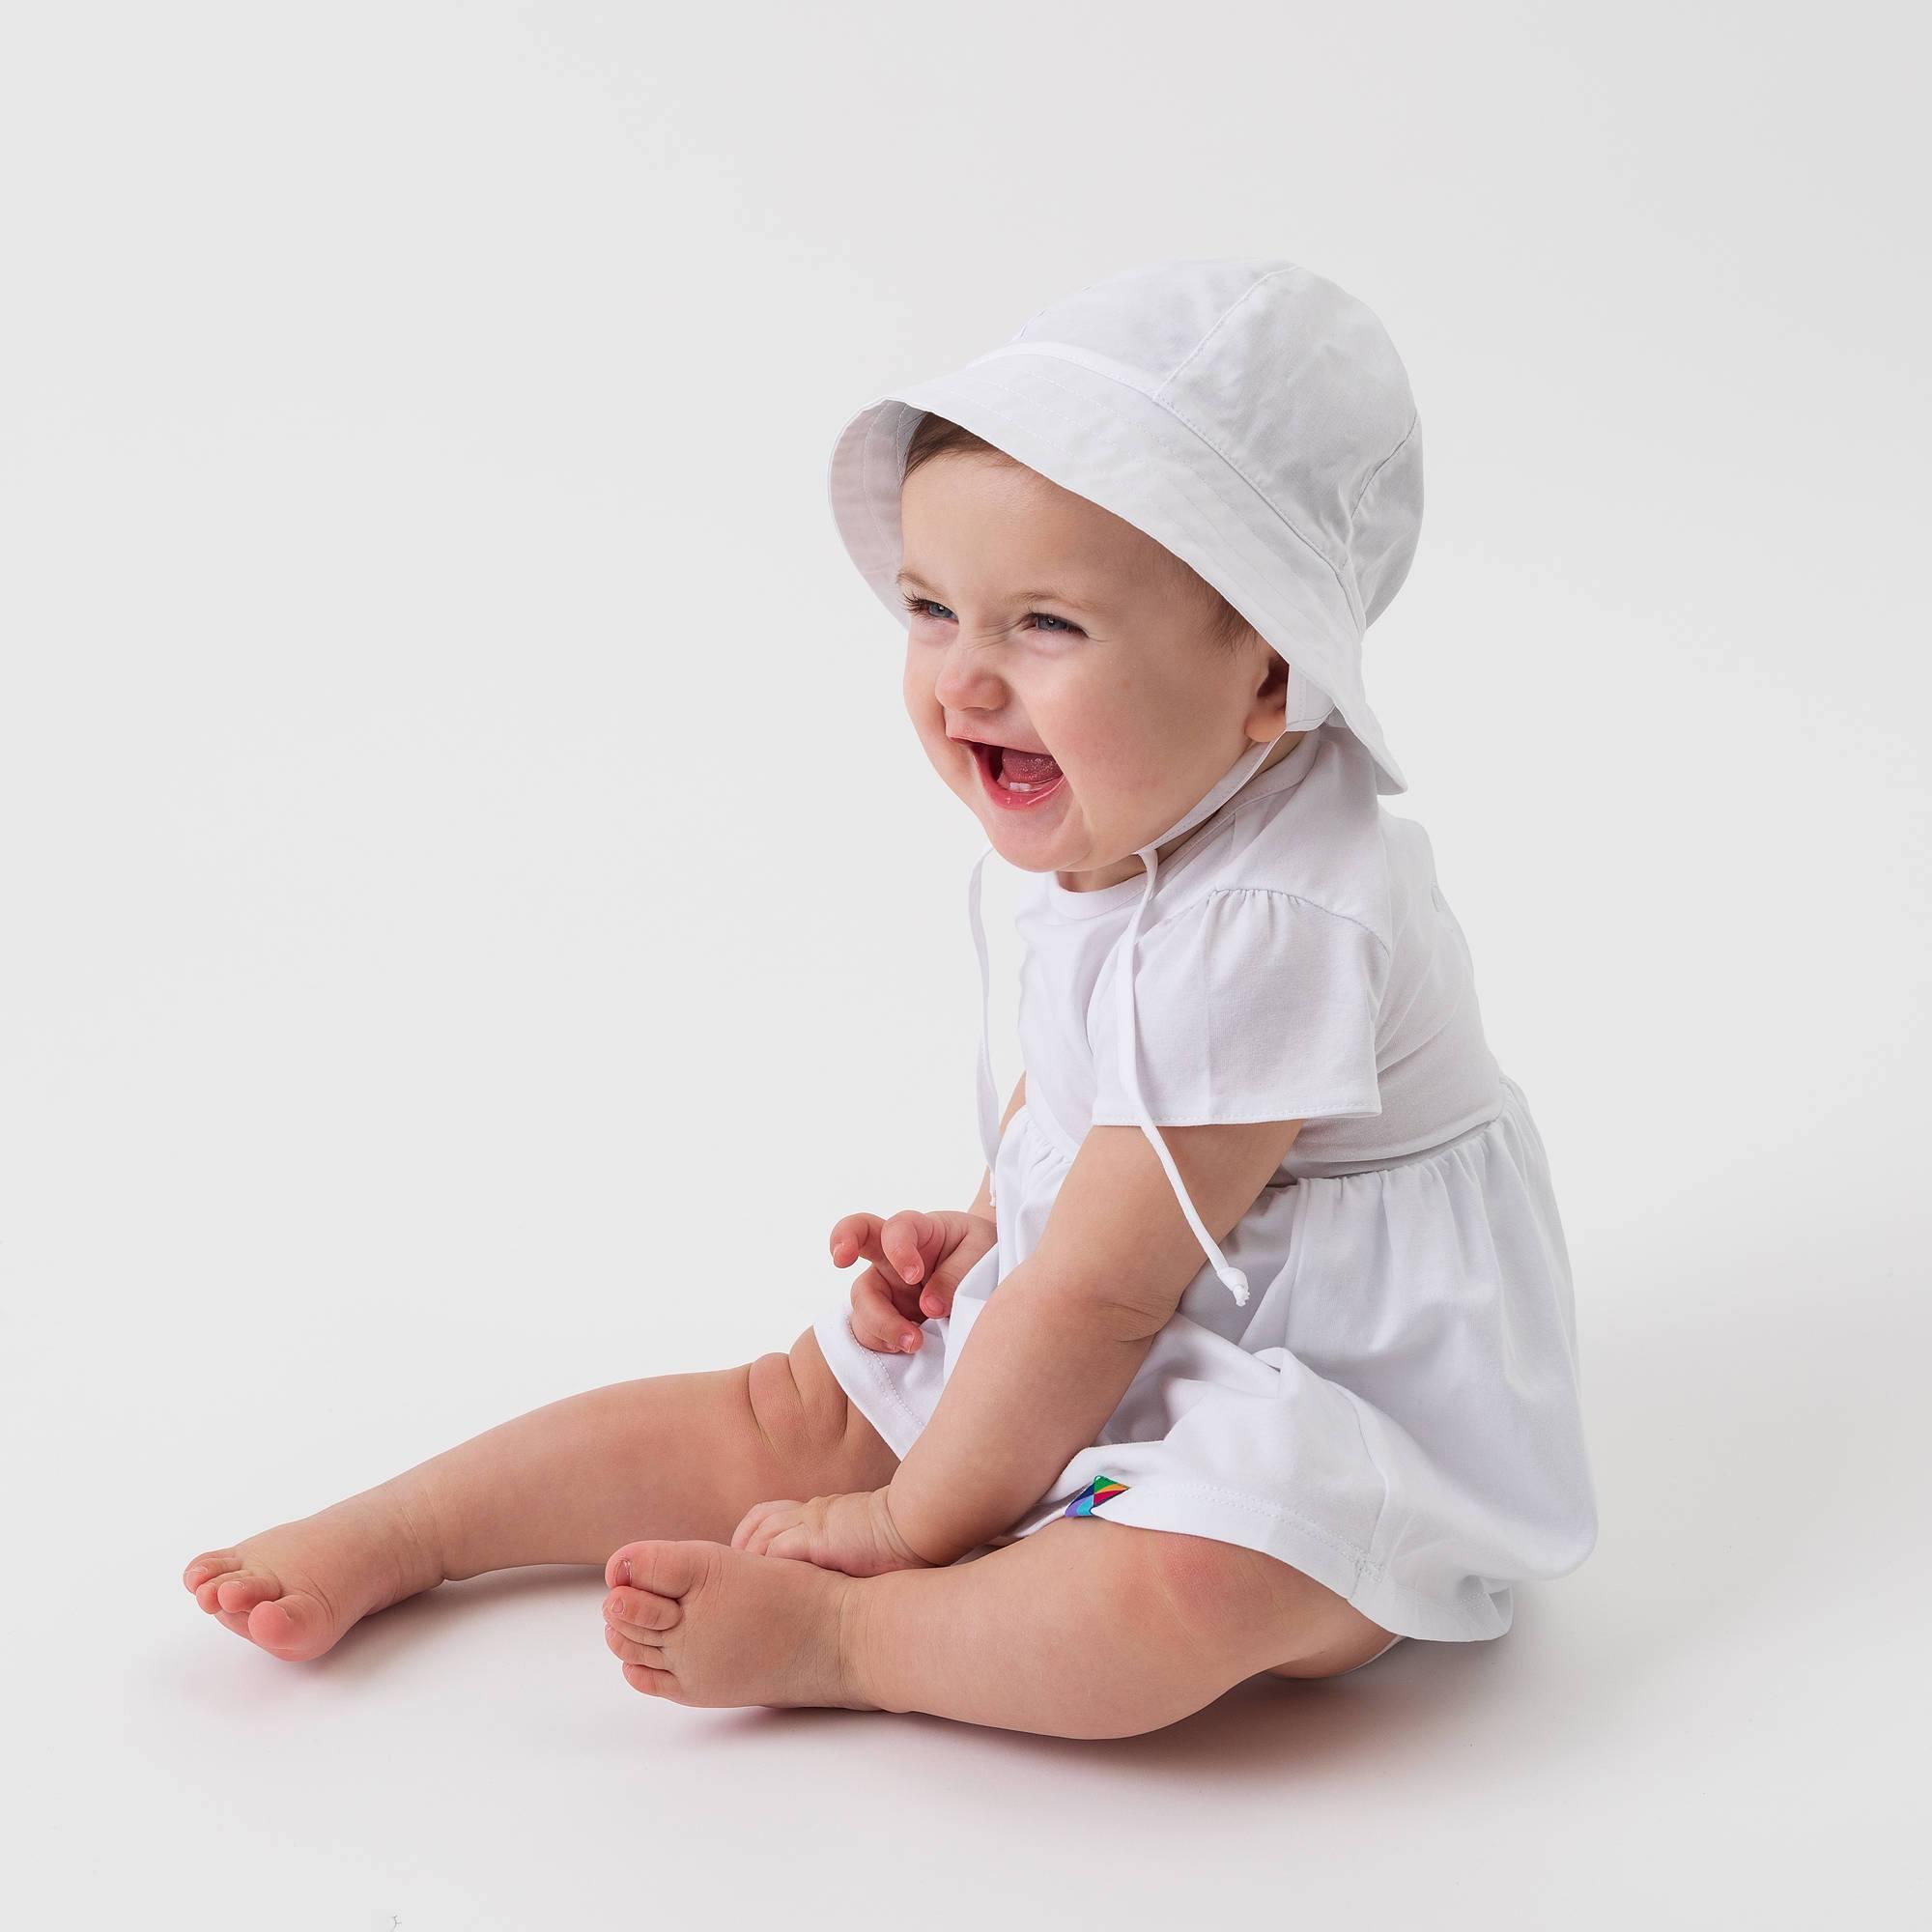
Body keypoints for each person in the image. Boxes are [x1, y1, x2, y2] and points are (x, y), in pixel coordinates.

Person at [181, 258, 1598, 1740]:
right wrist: (993, 1218)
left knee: (1181, 1594)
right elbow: (1095, 1102)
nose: (965, 681)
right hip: (1111, 1289)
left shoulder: (1280, 913)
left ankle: (859, 1637)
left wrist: (909, 1523)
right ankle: (408, 1530)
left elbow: (1108, 1287)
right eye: (932, 608)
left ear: (1266, 673)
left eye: (1045, 625)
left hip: (1321, 1381)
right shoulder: (1142, 795)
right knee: (788, 1414)